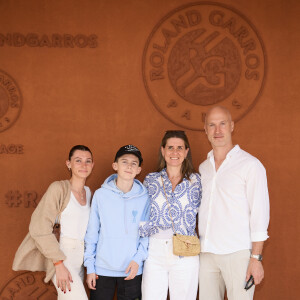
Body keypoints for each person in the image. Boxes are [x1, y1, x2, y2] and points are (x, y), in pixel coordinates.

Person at [198, 106, 270, 300]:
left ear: (231, 126)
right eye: (212, 125)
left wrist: (256, 258)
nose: (217, 130)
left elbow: (260, 214)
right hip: (206, 255)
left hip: (238, 255)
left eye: (222, 123)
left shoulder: (250, 165)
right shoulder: (203, 168)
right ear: (205, 130)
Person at [12, 145, 94, 300]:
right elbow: (39, 227)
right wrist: (58, 264)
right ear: (68, 164)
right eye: (78, 160)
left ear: (92, 165)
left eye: (88, 161)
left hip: (80, 260)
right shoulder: (59, 189)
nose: (84, 165)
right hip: (62, 257)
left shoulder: (88, 193)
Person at [139, 130, 201, 300]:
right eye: (170, 147)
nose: (175, 152)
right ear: (163, 151)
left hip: (186, 250)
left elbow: (208, 213)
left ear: (186, 152)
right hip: (155, 250)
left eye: (180, 148)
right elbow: (141, 214)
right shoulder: (151, 180)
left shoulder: (196, 181)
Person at [84, 145, 149, 300]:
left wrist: (137, 260)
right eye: (124, 161)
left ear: (139, 169)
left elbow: (145, 235)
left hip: (132, 269)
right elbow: (92, 233)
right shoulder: (100, 195)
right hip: (102, 269)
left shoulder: (145, 198)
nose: (129, 166)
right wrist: (90, 267)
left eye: (134, 163)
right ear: (115, 166)